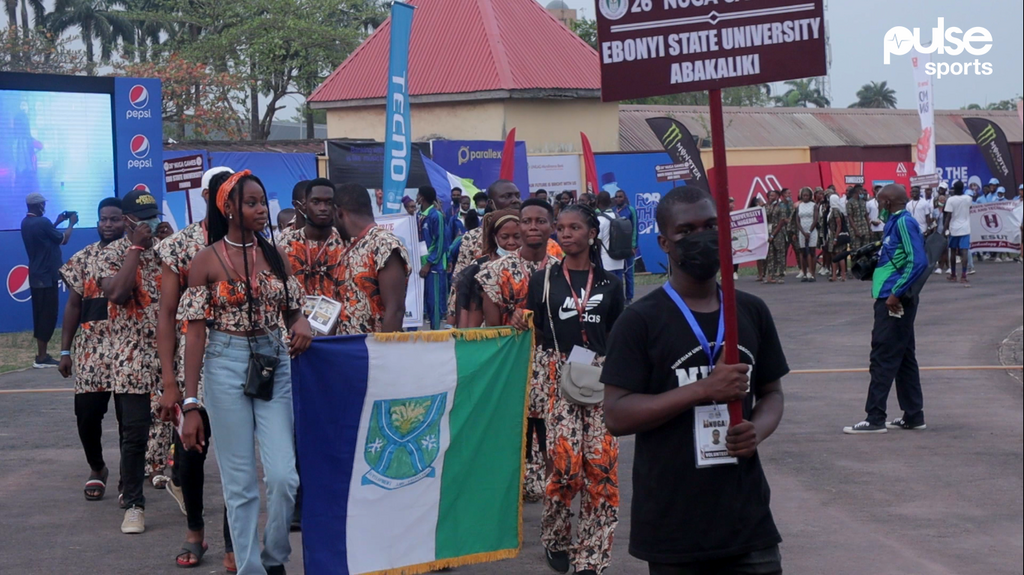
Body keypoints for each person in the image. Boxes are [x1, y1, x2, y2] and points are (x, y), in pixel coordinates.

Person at [601, 185, 788, 575]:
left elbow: (771, 392)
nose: (701, 238)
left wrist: (758, 429)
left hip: (748, 522)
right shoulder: (640, 321)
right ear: (664, 243)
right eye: (687, 231)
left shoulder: (751, 311)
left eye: (711, 226)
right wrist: (703, 389)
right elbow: (616, 415)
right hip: (674, 527)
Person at [179, 170, 312, 575]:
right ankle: (252, 568)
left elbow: (293, 309)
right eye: (251, 202)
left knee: (283, 477)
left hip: (274, 360)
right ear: (229, 208)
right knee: (239, 485)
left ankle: (274, 557)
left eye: (262, 201)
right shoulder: (205, 261)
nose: (260, 209)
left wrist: (300, 320)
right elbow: (195, 335)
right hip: (225, 362)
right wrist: (189, 402)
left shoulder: (276, 255)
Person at [527, 204, 624, 575]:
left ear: (591, 233)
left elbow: (617, 333)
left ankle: (592, 556)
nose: (565, 234)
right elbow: (537, 330)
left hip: (601, 376)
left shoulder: (610, 284)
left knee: (601, 469)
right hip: (558, 374)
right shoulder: (544, 279)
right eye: (561, 228)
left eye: (574, 228)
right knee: (567, 467)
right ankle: (556, 536)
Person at [155, 167, 236, 570]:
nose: (230, 202)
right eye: (223, 194)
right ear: (207, 196)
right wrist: (170, 382)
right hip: (193, 366)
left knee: (237, 459)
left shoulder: (253, 244)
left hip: (242, 362)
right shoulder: (179, 246)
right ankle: (194, 533)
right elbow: (167, 315)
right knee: (191, 454)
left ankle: (233, 540)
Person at [479, 201, 560, 503]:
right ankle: (510, 508)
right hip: (514, 370)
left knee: (554, 443)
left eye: (541, 221)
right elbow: (492, 332)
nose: (533, 227)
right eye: (527, 221)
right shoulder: (495, 271)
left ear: (552, 226)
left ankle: (556, 505)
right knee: (514, 440)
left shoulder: (564, 268)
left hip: (557, 371)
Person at [97, 188, 164, 534]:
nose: (151, 223)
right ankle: (134, 503)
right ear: (127, 222)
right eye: (143, 218)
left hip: (171, 356)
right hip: (131, 357)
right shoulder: (110, 255)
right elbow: (118, 293)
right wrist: (136, 248)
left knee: (185, 431)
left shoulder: (170, 252)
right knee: (135, 434)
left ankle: (182, 485)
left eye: (154, 216)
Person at [844, 184, 928, 434]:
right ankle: (913, 415)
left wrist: (896, 292)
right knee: (903, 357)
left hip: (895, 299)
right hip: (890, 296)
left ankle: (875, 417)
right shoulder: (893, 223)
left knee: (882, 355)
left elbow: (918, 260)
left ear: (889, 203)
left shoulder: (904, 222)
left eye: (880, 202)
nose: (877, 206)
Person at [58, 197, 124, 503]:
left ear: (126, 221)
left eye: (115, 219)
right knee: (86, 415)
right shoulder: (82, 258)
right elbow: (73, 305)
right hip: (90, 351)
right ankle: (97, 468)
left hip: (128, 347)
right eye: (104, 219)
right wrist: (65, 351)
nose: (108, 224)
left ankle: (130, 475)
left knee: (131, 418)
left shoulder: (136, 256)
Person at [332, 182, 411, 335]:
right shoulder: (350, 248)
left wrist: (384, 355)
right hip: (349, 351)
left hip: (374, 353)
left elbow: (395, 310)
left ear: (339, 212)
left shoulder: (385, 245)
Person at [447, 180, 525, 323]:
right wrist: (452, 318)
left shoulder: (529, 234)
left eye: (517, 196)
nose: (514, 200)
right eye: (507, 196)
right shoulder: (472, 237)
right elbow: (459, 280)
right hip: (481, 319)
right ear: (491, 203)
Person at [20, 191, 78, 368]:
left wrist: (58, 222)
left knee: (40, 314)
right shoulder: (42, 222)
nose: (44, 206)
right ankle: (42, 357)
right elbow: (64, 239)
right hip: (46, 275)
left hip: (37, 274)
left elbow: (45, 236)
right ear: (38, 206)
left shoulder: (26, 222)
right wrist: (71, 223)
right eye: (43, 204)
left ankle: (42, 355)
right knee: (47, 315)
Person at [454, 209, 522, 329]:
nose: (511, 242)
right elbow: (469, 315)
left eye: (517, 236)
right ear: (494, 237)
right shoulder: (480, 268)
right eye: (505, 237)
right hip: (491, 337)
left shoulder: (530, 264)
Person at [279, 178, 344, 300]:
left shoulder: (345, 243)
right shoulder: (284, 245)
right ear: (304, 206)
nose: (323, 208)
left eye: (329, 203)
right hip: (297, 316)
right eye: (316, 202)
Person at [417, 186, 449, 329]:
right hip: (417, 265)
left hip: (433, 268)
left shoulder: (436, 216)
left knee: (433, 303)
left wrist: (428, 264)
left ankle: (435, 334)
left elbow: (441, 242)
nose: (416, 197)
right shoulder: (418, 215)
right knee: (418, 303)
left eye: (418, 195)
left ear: (421, 197)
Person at [944, 180, 973, 287]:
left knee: (952, 251)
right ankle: (964, 276)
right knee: (964, 251)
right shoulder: (968, 198)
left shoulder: (951, 200)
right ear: (963, 188)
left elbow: (948, 216)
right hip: (965, 228)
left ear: (954, 189)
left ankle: (953, 274)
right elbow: (970, 208)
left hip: (954, 229)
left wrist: (944, 230)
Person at [613, 189, 638, 301]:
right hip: (616, 248)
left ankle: (629, 297)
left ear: (624, 198)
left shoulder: (630, 210)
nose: (618, 199)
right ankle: (619, 298)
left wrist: (633, 245)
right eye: (616, 197)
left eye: (620, 197)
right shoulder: (612, 211)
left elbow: (635, 228)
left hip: (628, 247)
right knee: (617, 274)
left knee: (628, 273)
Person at [596, 191, 626, 284]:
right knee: (619, 289)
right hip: (619, 259)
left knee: (609, 290)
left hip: (606, 261)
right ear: (610, 202)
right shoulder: (617, 216)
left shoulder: (600, 220)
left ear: (598, 202)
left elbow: (598, 241)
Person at [795, 187, 819, 282]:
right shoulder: (799, 206)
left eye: (807, 195)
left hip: (812, 230)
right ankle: (804, 273)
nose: (805, 197)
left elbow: (815, 219)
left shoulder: (814, 205)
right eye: (804, 195)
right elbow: (797, 220)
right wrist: (803, 232)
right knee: (803, 252)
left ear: (810, 196)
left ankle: (812, 274)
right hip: (802, 231)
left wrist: (809, 231)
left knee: (812, 252)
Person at [764, 190, 788, 283]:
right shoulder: (766, 206)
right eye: (770, 195)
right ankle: (770, 276)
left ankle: (780, 276)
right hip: (768, 232)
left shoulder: (781, 206)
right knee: (770, 255)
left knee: (780, 255)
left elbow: (781, 221)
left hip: (778, 233)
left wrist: (773, 234)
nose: (771, 197)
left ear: (778, 196)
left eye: (773, 195)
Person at [827, 194, 850, 282]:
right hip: (832, 235)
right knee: (834, 255)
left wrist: (836, 238)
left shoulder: (835, 211)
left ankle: (843, 275)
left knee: (839, 255)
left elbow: (839, 225)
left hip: (836, 235)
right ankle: (834, 275)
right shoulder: (833, 210)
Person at [846, 185, 870, 252]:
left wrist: (869, 228)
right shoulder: (850, 202)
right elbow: (850, 217)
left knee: (865, 249)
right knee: (856, 250)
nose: (863, 192)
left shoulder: (863, 201)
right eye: (862, 191)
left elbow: (866, 215)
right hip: (855, 229)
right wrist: (856, 230)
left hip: (865, 228)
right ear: (858, 191)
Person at [749, 195, 767, 282]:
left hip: (766, 233)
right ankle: (761, 274)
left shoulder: (765, 209)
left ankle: (764, 273)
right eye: (761, 201)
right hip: (757, 235)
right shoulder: (752, 212)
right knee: (759, 256)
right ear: (757, 203)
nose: (763, 203)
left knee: (766, 256)